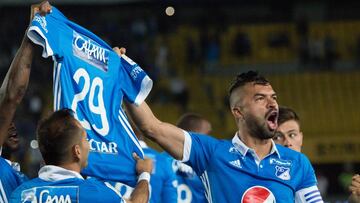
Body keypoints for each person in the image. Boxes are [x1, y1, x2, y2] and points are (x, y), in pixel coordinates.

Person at [123, 68, 323, 202]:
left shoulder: (298, 163)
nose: (272, 104)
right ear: (238, 112)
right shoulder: (211, 152)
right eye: (260, 99)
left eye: (274, 98)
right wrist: (123, 77)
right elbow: (151, 126)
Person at [10, 109, 152, 203]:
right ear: (76, 151)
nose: (89, 145)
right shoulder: (97, 193)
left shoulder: (19, 195)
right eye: (85, 138)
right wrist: (144, 175)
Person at [0, 2, 51, 202]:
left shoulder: (24, 183)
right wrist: (33, 33)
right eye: (5, 121)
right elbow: (12, 94)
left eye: (12, 122)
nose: (11, 126)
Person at [174, 113, 210, 203]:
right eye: (208, 134)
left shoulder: (158, 161)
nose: (210, 140)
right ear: (194, 135)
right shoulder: (207, 168)